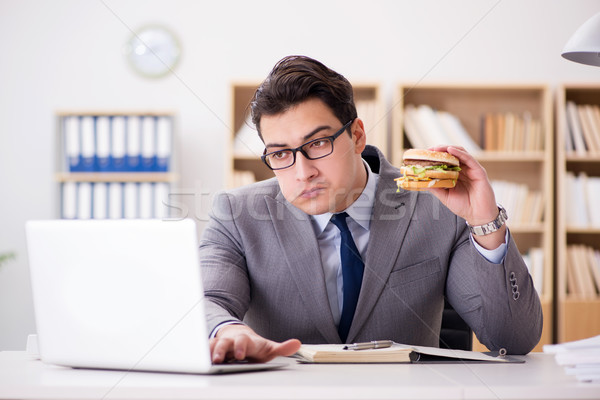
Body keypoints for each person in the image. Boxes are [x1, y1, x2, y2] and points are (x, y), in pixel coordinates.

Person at [200, 55, 542, 364]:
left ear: (357, 136)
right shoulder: (236, 214)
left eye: (318, 143)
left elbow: (512, 340)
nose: (303, 172)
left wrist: (485, 223)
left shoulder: (440, 206)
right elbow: (206, 300)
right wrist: (226, 329)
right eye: (280, 154)